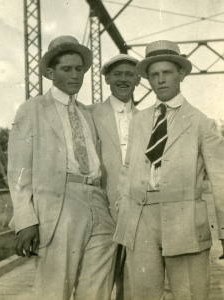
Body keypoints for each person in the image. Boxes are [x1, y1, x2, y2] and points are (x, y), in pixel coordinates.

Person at [8, 35, 117, 300]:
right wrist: (25, 220)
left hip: (98, 203)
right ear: (50, 72)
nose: (75, 75)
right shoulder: (33, 109)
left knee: (98, 290)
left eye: (79, 69)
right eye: (67, 69)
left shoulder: (86, 113)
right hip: (60, 203)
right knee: (55, 290)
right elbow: (18, 169)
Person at [113, 40, 224, 300]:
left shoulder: (201, 123)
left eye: (167, 73)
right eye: (154, 75)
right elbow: (127, 170)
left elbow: (221, 180)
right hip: (141, 221)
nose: (161, 80)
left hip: (185, 219)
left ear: (181, 74)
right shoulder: (139, 121)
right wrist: (124, 213)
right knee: (141, 295)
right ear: (148, 79)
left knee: (190, 294)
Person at [92, 54, 140, 299]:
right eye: (117, 74)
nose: (123, 79)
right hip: (100, 210)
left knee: (133, 280)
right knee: (97, 281)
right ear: (107, 78)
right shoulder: (90, 114)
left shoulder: (148, 118)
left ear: (138, 80)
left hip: (138, 212)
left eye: (129, 74)